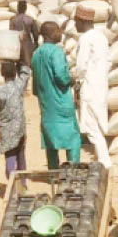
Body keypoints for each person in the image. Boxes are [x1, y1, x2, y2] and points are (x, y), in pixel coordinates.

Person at [32, 21, 81, 168]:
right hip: (61, 103)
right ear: (50, 34)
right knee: (73, 140)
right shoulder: (56, 52)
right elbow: (61, 76)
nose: (61, 34)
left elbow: (35, 87)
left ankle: (54, 172)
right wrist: (71, 79)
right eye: (58, 31)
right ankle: (72, 171)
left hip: (46, 104)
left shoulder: (36, 54)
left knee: (50, 141)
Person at [71, 4, 112, 170]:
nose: (75, 25)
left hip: (89, 86)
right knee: (98, 123)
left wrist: (74, 81)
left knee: (91, 127)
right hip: (101, 85)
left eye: (76, 21)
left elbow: (81, 66)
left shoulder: (86, 38)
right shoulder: (101, 37)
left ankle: (104, 161)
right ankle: (102, 157)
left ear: (81, 21)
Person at [0, 60, 31, 177]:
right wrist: (22, 62)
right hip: (20, 130)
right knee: (21, 156)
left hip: (6, 130)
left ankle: (12, 186)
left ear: (2, 74)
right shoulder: (19, 85)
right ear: (15, 73)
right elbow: (26, 74)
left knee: (10, 156)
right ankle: (22, 185)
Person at [9, 0, 40, 67]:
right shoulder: (30, 19)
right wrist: (36, 43)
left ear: (17, 8)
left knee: (17, 64)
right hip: (27, 44)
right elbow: (35, 33)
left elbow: (10, 32)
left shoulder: (13, 20)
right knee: (27, 64)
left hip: (16, 45)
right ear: (25, 8)